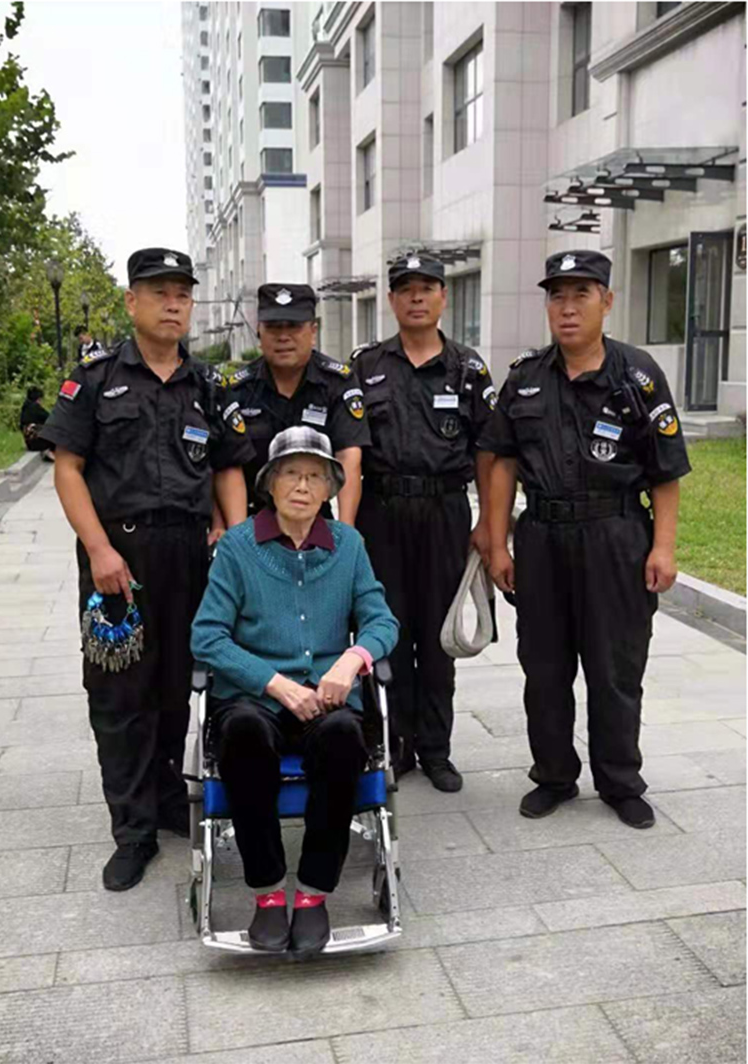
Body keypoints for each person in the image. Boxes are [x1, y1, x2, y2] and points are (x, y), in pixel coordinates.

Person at [40, 247, 255, 891]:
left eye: (182, 294)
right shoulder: (96, 380)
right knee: (120, 695)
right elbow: (67, 468)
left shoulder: (209, 386)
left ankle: (164, 799)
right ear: (132, 301)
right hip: (120, 559)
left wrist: (232, 534)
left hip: (190, 557)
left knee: (177, 686)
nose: (172, 304)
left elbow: (229, 467)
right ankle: (131, 832)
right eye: (159, 292)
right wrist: (99, 549)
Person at [484, 249, 691, 829]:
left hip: (615, 537)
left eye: (581, 295)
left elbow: (666, 471)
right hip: (543, 537)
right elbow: (501, 463)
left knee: (615, 667)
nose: (568, 308)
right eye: (557, 296)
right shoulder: (525, 378)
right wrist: (498, 544)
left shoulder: (637, 375)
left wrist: (663, 547)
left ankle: (620, 781)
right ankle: (553, 776)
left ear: (607, 301)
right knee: (544, 667)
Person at [191, 426, 399, 956]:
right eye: (290, 474)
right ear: (269, 483)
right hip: (254, 697)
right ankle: (265, 892)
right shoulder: (238, 547)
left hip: (327, 700)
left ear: (330, 488)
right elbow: (207, 636)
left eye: (314, 476)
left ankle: (312, 893)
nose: (302, 486)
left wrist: (352, 660)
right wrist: (276, 683)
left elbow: (381, 620)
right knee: (242, 732)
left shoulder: (348, 546)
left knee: (344, 738)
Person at [351, 253, 497, 793]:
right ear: (391, 300)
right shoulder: (365, 366)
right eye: (406, 289)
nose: (416, 297)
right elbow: (350, 453)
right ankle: (396, 745)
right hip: (382, 512)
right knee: (387, 631)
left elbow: (489, 451)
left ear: (443, 296)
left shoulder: (467, 369)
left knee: (438, 636)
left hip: (443, 512)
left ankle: (436, 750)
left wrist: (489, 524)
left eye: (427, 287)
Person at [227, 283, 370, 525]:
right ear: (259, 331)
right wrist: (237, 536)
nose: (283, 337)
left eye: (293, 326)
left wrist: (346, 533)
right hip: (253, 520)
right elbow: (229, 465)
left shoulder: (337, 383)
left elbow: (348, 457)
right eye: (273, 326)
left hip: (317, 522)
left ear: (313, 331)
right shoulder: (238, 389)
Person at [19, 386, 54, 462]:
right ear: (38, 399)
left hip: (29, 442)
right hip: (38, 442)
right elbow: (49, 418)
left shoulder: (25, 408)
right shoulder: (36, 408)